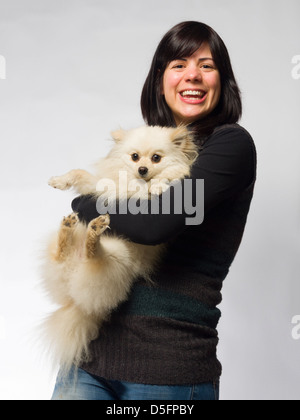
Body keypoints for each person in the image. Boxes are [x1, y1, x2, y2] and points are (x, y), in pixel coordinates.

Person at [51, 21, 256, 400]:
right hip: (90, 359)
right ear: (160, 79)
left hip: (167, 371)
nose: (192, 74)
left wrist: (84, 202)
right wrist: (90, 203)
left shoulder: (230, 146)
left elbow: (155, 225)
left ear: (222, 81)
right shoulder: (145, 141)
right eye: (178, 64)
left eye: (207, 65)